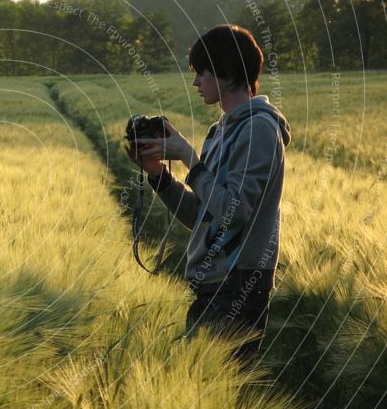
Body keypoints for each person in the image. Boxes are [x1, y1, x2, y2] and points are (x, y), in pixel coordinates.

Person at [124, 24, 291, 362]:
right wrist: (158, 176)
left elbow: (235, 211)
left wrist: (188, 157)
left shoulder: (259, 129)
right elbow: (204, 216)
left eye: (201, 72)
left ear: (225, 73)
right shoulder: (220, 132)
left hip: (237, 285)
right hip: (212, 283)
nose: (195, 82)